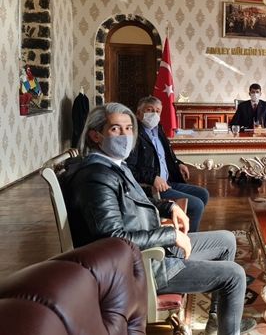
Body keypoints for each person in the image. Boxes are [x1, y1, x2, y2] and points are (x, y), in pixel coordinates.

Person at [63, 103, 253, 335]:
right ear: (95, 135)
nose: (125, 135)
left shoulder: (112, 165)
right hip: (140, 266)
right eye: (115, 129)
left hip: (152, 249)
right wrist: (171, 235)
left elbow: (135, 199)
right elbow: (113, 238)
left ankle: (216, 319)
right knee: (235, 275)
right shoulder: (95, 177)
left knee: (227, 240)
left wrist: (169, 206)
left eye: (128, 128)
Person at [126, 96, 209, 231]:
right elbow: (129, 169)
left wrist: (178, 163)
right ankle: (190, 238)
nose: (154, 114)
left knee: (203, 193)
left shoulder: (158, 129)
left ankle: (183, 226)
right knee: (196, 205)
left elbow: (165, 155)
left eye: (157, 111)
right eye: (149, 110)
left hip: (168, 181)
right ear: (139, 113)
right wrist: (152, 178)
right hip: (154, 187)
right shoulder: (134, 135)